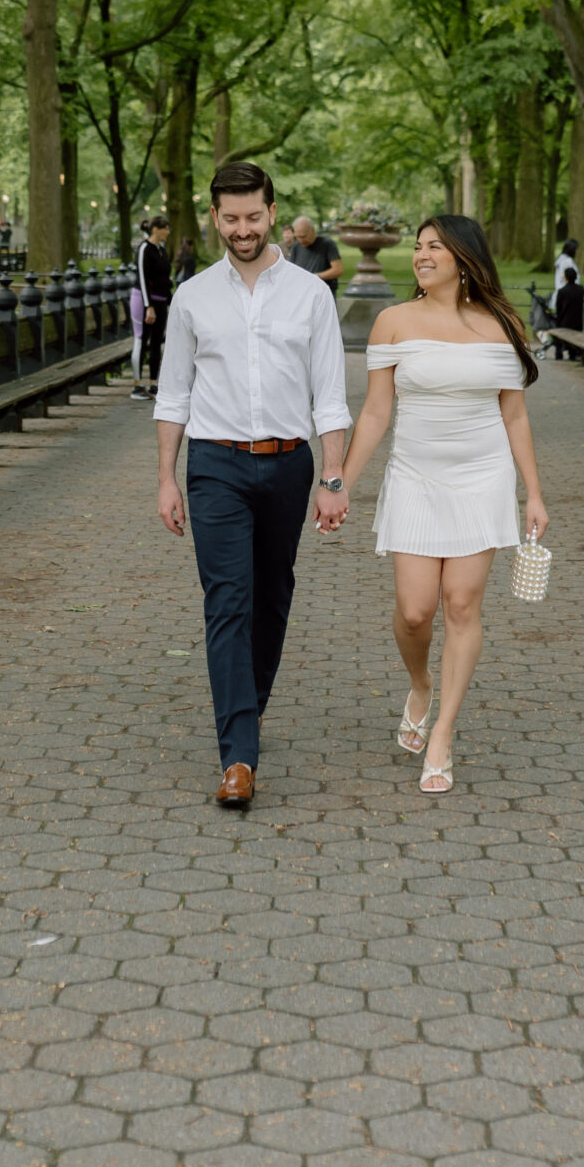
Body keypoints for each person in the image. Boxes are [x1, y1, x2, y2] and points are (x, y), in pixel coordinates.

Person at [155, 161, 350, 811]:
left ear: (272, 213)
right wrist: (165, 479)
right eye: (230, 218)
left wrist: (332, 478)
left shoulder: (309, 296)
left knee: (271, 596)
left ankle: (250, 705)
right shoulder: (192, 299)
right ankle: (238, 755)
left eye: (253, 217)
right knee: (227, 601)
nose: (242, 229)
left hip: (290, 464)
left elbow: (330, 397)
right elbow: (173, 395)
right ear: (214, 218)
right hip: (214, 465)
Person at [338, 214, 548, 797]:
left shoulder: (502, 324)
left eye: (434, 247)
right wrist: (341, 483)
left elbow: (515, 414)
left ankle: (443, 736)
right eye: (418, 247)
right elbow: (377, 412)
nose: (422, 256)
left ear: (463, 257)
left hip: (482, 477)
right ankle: (421, 684)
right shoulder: (393, 322)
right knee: (414, 611)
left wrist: (534, 492)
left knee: (460, 604)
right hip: (415, 476)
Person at [132, 214, 173, 400]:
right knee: (142, 341)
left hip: (160, 301)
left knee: (157, 342)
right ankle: (137, 385)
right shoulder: (144, 249)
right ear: (156, 229)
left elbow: (165, 279)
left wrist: (171, 302)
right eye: (166, 228)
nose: (168, 232)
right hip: (144, 302)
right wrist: (149, 306)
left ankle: (154, 383)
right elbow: (142, 277)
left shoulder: (161, 250)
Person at [288, 215, 342, 291]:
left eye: (303, 237)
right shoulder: (296, 246)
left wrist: (315, 277)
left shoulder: (327, 244)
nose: (300, 240)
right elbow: (291, 270)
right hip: (302, 291)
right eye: (297, 237)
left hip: (324, 291)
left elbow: (338, 270)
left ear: (312, 230)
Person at [552, 265, 584, 359]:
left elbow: (559, 309)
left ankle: (559, 354)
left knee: (556, 326)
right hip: (579, 323)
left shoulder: (562, 291)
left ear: (566, 278)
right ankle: (573, 353)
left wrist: (558, 321)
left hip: (566, 323)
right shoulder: (582, 290)